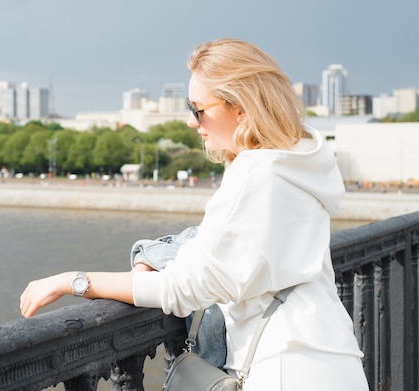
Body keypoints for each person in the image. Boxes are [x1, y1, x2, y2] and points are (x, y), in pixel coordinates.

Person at [20, 38, 369, 390]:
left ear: (241, 108)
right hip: (334, 356)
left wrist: (74, 281)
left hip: (285, 368)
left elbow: (180, 289)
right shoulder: (299, 161)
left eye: (198, 108)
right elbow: (220, 249)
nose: (191, 121)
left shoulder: (256, 174)